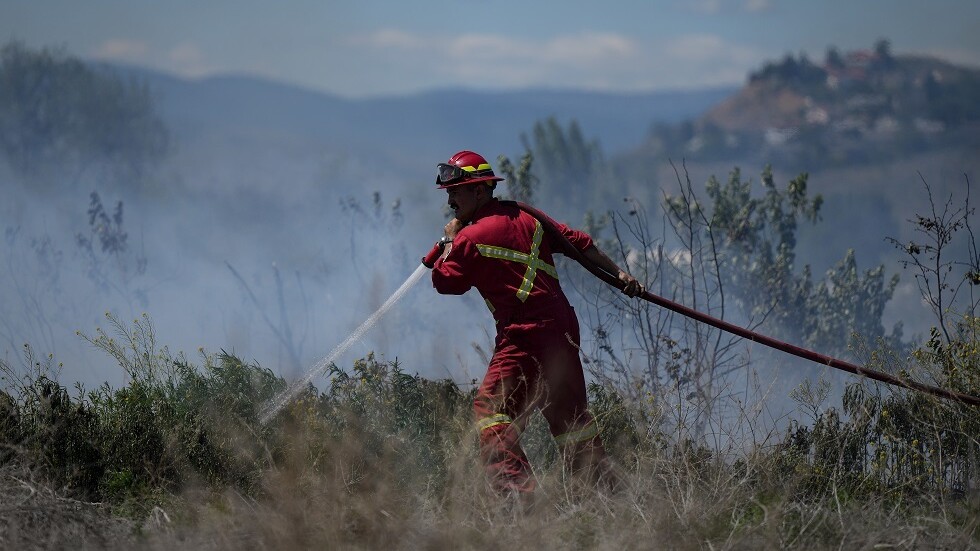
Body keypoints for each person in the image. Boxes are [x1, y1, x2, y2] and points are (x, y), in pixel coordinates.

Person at [428, 150, 642, 496]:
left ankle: (520, 497)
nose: (451, 201)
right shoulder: (529, 218)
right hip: (562, 330)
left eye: (456, 192)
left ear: (480, 191)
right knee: (571, 422)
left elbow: (445, 281)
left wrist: (450, 238)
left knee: (491, 413)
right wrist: (621, 274)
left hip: (523, 335)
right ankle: (607, 500)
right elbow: (581, 244)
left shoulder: (468, 239)